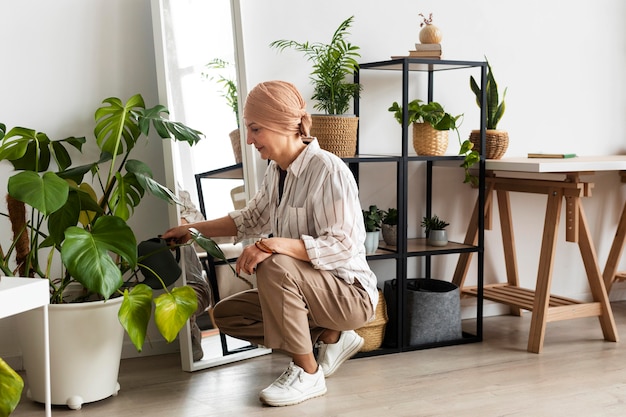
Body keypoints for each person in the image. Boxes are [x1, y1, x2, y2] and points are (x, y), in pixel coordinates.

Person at [162, 80, 378, 407]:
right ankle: (331, 334)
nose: (248, 140)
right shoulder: (276, 172)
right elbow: (249, 218)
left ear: (283, 125)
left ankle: (307, 373)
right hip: (315, 294)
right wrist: (192, 230)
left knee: (273, 263)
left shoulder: (328, 170)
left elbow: (342, 245)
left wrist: (272, 245)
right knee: (229, 314)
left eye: (255, 129)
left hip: (351, 294)